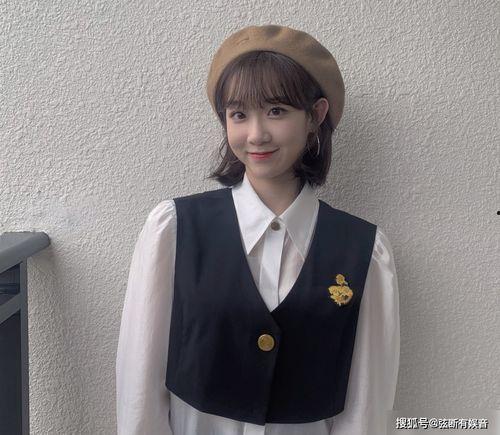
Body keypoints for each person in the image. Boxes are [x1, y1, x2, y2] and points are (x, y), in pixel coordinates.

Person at [116, 24, 400, 435]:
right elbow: (140, 382)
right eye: (239, 114)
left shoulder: (363, 251)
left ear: (315, 116)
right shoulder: (174, 230)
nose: (256, 134)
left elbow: (366, 406)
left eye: (276, 111)